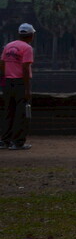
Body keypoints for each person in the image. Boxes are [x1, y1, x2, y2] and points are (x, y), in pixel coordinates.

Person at [1, 23, 36, 151]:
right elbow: (25, 68)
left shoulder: (8, 46)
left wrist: (3, 83)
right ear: (31, 35)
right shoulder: (27, 48)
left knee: (8, 112)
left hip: (8, 83)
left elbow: (2, 65)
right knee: (21, 113)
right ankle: (18, 142)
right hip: (20, 82)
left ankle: (4, 141)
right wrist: (27, 89)